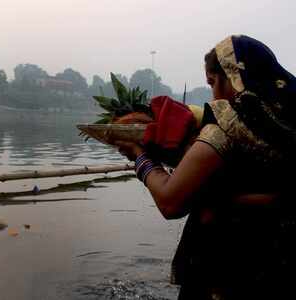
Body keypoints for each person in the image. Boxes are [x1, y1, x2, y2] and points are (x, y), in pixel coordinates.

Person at [116, 35, 296, 299]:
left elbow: (171, 201)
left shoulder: (229, 126)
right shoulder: (288, 124)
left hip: (225, 265)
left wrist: (139, 157)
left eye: (213, 82)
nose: (214, 94)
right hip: (279, 262)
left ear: (234, 77)